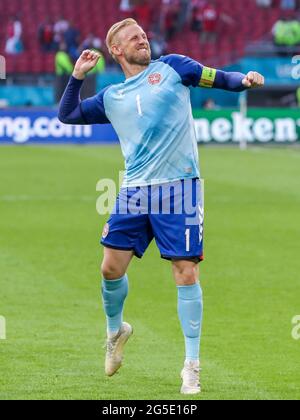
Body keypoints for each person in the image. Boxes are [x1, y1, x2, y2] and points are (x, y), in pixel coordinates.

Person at [58, 18, 264, 395]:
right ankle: (115, 330)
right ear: (116, 50)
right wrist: (76, 76)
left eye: (143, 35)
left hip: (180, 188)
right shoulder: (111, 97)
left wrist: (243, 80)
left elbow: (219, 78)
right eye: (132, 38)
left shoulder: (174, 67)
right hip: (135, 190)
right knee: (109, 268)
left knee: (185, 272)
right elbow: (68, 115)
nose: (142, 40)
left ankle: (191, 365)